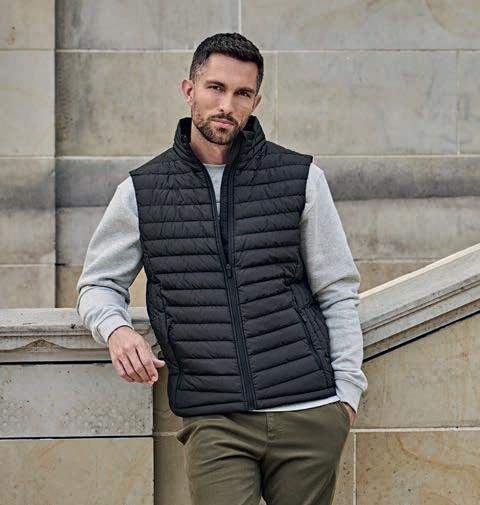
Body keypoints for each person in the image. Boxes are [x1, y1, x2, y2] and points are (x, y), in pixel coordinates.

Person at [76, 32, 368, 505]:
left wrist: (346, 396)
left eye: (242, 93)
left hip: (310, 410)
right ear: (189, 90)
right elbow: (97, 284)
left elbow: (336, 290)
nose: (227, 105)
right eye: (215, 88)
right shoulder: (142, 191)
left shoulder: (301, 178)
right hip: (215, 418)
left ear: (256, 101)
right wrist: (117, 330)